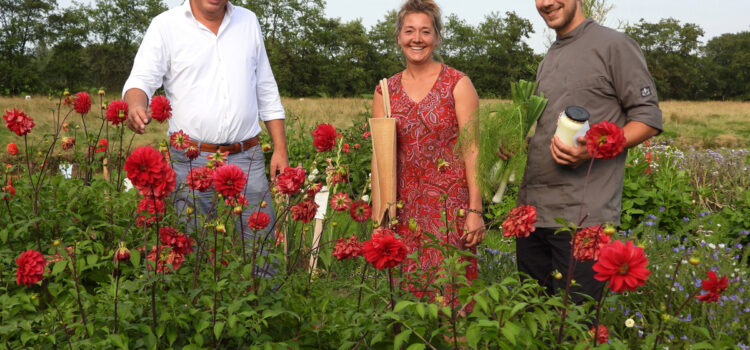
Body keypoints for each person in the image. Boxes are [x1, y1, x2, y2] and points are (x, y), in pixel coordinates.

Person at [122, 0, 288, 274]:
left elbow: (266, 88)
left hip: (248, 158)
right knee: (191, 253)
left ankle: (264, 312)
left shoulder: (248, 22)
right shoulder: (166, 26)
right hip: (191, 159)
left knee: (262, 250)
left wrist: (280, 148)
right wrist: (136, 105)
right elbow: (141, 79)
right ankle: (196, 313)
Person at [516, 0, 663, 301]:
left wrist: (593, 150)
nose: (545, 3)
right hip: (534, 214)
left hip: (582, 218)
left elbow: (647, 120)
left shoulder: (614, 45)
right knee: (532, 321)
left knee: (574, 327)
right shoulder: (549, 57)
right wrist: (521, 143)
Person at [371, 0, 484, 300]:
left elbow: (473, 150)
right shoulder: (385, 91)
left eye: (425, 31)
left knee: (452, 303)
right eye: (409, 31)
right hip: (403, 213)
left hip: (450, 213)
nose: (416, 39)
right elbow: (379, 158)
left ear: (436, 37)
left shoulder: (457, 85)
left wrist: (475, 210)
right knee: (407, 306)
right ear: (398, 37)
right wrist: (380, 220)